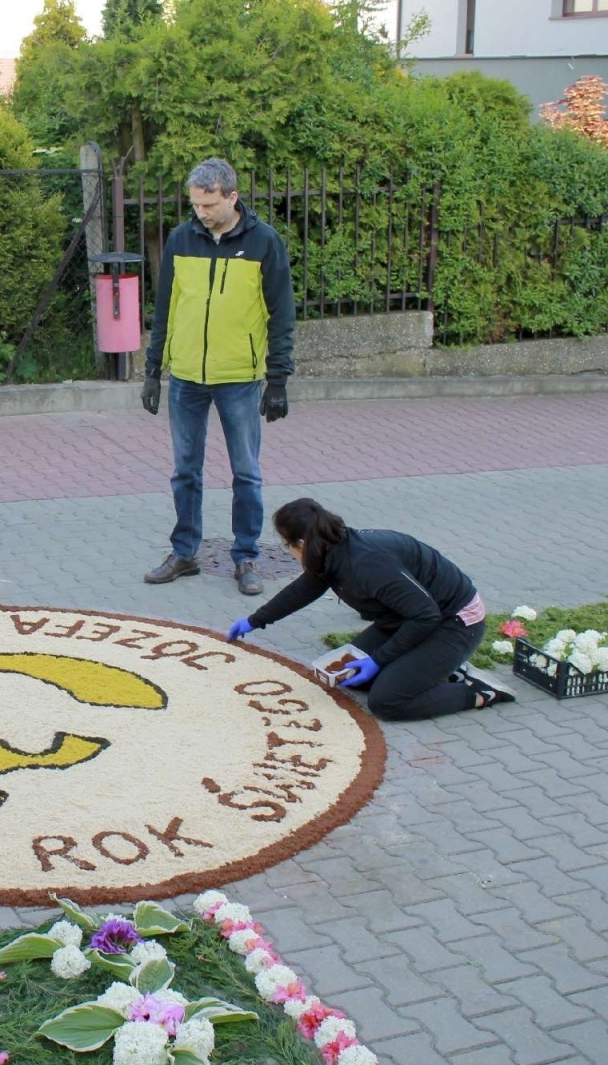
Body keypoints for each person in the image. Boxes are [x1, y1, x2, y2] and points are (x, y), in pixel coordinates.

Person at [141, 157, 296, 597]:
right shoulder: (181, 238)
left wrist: (279, 378)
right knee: (184, 470)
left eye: (209, 205)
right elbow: (165, 306)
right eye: (195, 205)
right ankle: (184, 552)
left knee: (246, 471)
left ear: (232, 197)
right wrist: (153, 370)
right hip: (187, 375)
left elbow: (281, 314)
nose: (201, 213)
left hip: (239, 377)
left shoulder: (264, 242)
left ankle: (246, 556)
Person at [226, 498, 515, 720]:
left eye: (285, 544)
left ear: (301, 543)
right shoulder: (329, 548)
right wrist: (255, 621)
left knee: (388, 701)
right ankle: (439, 668)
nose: (286, 549)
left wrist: (379, 659)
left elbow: (426, 615)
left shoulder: (366, 564)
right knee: (350, 676)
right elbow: (304, 590)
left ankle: (479, 692)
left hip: (454, 622)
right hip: (408, 619)